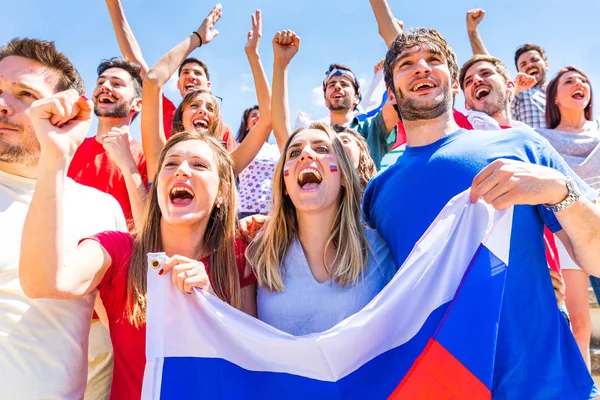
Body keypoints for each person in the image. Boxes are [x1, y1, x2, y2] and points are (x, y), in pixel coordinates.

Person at [363, 26, 600, 398]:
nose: (422, 67)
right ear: (391, 91)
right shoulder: (378, 189)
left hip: (544, 384)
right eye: (407, 63)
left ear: (453, 85)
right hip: (441, 385)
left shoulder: (520, 144)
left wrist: (558, 190)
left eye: (434, 60)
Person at [19, 126, 257, 398]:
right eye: (171, 163)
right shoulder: (118, 250)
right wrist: (54, 161)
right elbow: (45, 282)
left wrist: (210, 301)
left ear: (222, 193)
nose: (181, 171)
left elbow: (249, 362)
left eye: (199, 165)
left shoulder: (238, 258)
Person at [0, 38, 127, 400]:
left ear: (68, 112)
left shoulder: (102, 209)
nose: (2, 105)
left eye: (24, 94)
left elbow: (120, 328)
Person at [246, 122, 396, 336]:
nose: (306, 154)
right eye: (294, 152)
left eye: (322, 149)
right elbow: (239, 337)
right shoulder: (258, 251)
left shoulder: (377, 252)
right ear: (284, 185)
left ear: (344, 176)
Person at [142, 8, 272, 180]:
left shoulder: (224, 167)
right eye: (194, 105)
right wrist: (197, 38)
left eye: (211, 108)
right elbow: (152, 81)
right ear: (180, 115)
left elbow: (268, 117)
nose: (203, 111)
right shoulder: (161, 158)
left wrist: (253, 55)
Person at [536, 65, 600, 369]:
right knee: (579, 325)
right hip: (568, 233)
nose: (580, 84)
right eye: (569, 81)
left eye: (583, 80)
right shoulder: (541, 139)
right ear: (555, 97)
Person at [104, 0, 236, 146]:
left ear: (208, 85)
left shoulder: (222, 130)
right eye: (185, 72)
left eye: (198, 73)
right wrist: (113, 5)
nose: (191, 76)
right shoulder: (166, 111)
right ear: (178, 85)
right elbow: (138, 65)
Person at [68, 57, 147, 229]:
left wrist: (128, 165)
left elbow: (148, 228)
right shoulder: (69, 147)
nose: (104, 87)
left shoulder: (146, 158)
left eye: (117, 84)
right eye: (100, 82)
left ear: (137, 104)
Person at [464, 8, 549, 128]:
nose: (529, 65)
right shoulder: (518, 92)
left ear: (546, 64)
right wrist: (472, 32)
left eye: (534, 60)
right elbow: (489, 66)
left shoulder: (561, 92)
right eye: (523, 64)